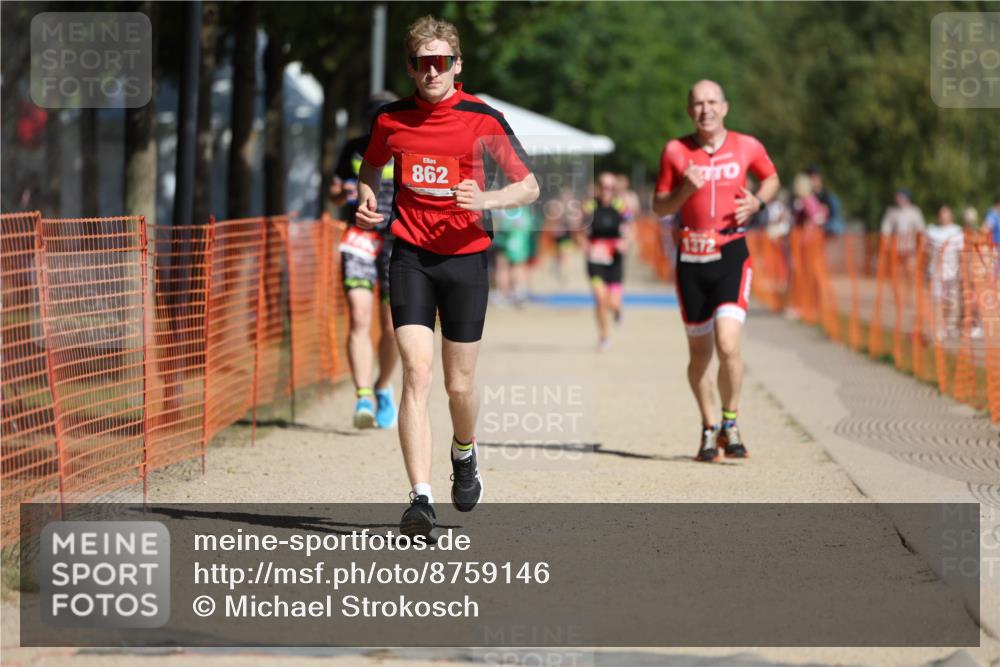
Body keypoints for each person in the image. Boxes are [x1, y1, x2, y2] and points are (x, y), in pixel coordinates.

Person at [355, 16, 539, 538]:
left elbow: (529, 187)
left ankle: (465, 450)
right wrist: (368, 197)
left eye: (441, 62)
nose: (431, 71)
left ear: (456, 66)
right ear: (411, 68)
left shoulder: (482, 117)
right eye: (422, 63)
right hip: (410, 253)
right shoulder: (391, 120)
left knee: (459, 386)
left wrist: (487, 198)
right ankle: (420, 499)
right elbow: (371, 168)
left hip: (465, 259)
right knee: (417, 372)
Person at [653, 79, 780, 462]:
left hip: (731, 254)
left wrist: (758, 201)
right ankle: (709, 427)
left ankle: (731, 420)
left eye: (712, 102)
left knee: (729, 343)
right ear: (689, 110)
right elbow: (660, 207)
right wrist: (683, 193)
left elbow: (771, 178)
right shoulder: (676, 151)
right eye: (697, 103)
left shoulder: (747, 146)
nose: (705, 109)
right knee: (700, 355)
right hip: (691, 260)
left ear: (725, 107)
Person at [330, 92, 401, 430]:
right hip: (359, 238)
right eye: (376, 118)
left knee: (391, 326)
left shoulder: (406, 148)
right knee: (359, 315)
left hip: (397, 241)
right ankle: (362, 396)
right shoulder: (353, 148)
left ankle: (383, 386)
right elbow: (332, 188)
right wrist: (340, 193)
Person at [582, 172, 630, 350]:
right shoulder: (589, 207)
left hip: (615, 260)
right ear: (598, 187)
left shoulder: (621, 207)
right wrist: (585, 244)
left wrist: (624, 243)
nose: (606, 190)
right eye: (603, 186)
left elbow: (629, 229)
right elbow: (579, 230)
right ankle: (603, 337)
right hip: (595, 260)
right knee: (600, 299)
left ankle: (618, 311)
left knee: (613, 303)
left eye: (610, 187)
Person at [925, 205, 964, 339]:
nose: (943, 216)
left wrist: (963, 269)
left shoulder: (957, 231)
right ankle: (939, 328)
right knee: (937, 300)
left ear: (951, 215)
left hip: (952, 271)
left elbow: (961, 253)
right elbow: (926, 250)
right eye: (941, 213)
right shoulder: (932, 231)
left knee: (952, 301)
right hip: (936, 271)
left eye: (946, 213)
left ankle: (950, 326)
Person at [880, 189, 926, 281]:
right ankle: (898, 292)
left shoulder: (915, 212)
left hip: (910, 247)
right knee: (896, 272)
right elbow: (886, 229)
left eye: (900, 196)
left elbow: (921, 229)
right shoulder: (892, 212)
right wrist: (886, 241)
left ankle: (911, 291)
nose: (897, 199)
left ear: (906, 198)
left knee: (911, 270)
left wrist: (921, 243)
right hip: (896, 247)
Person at [806, 164, 844, 237]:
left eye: (816, 177)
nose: (814, 180)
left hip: (826, 226)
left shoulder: (827, 195)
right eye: (812, 177)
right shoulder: (807, 195)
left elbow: (827, 211)